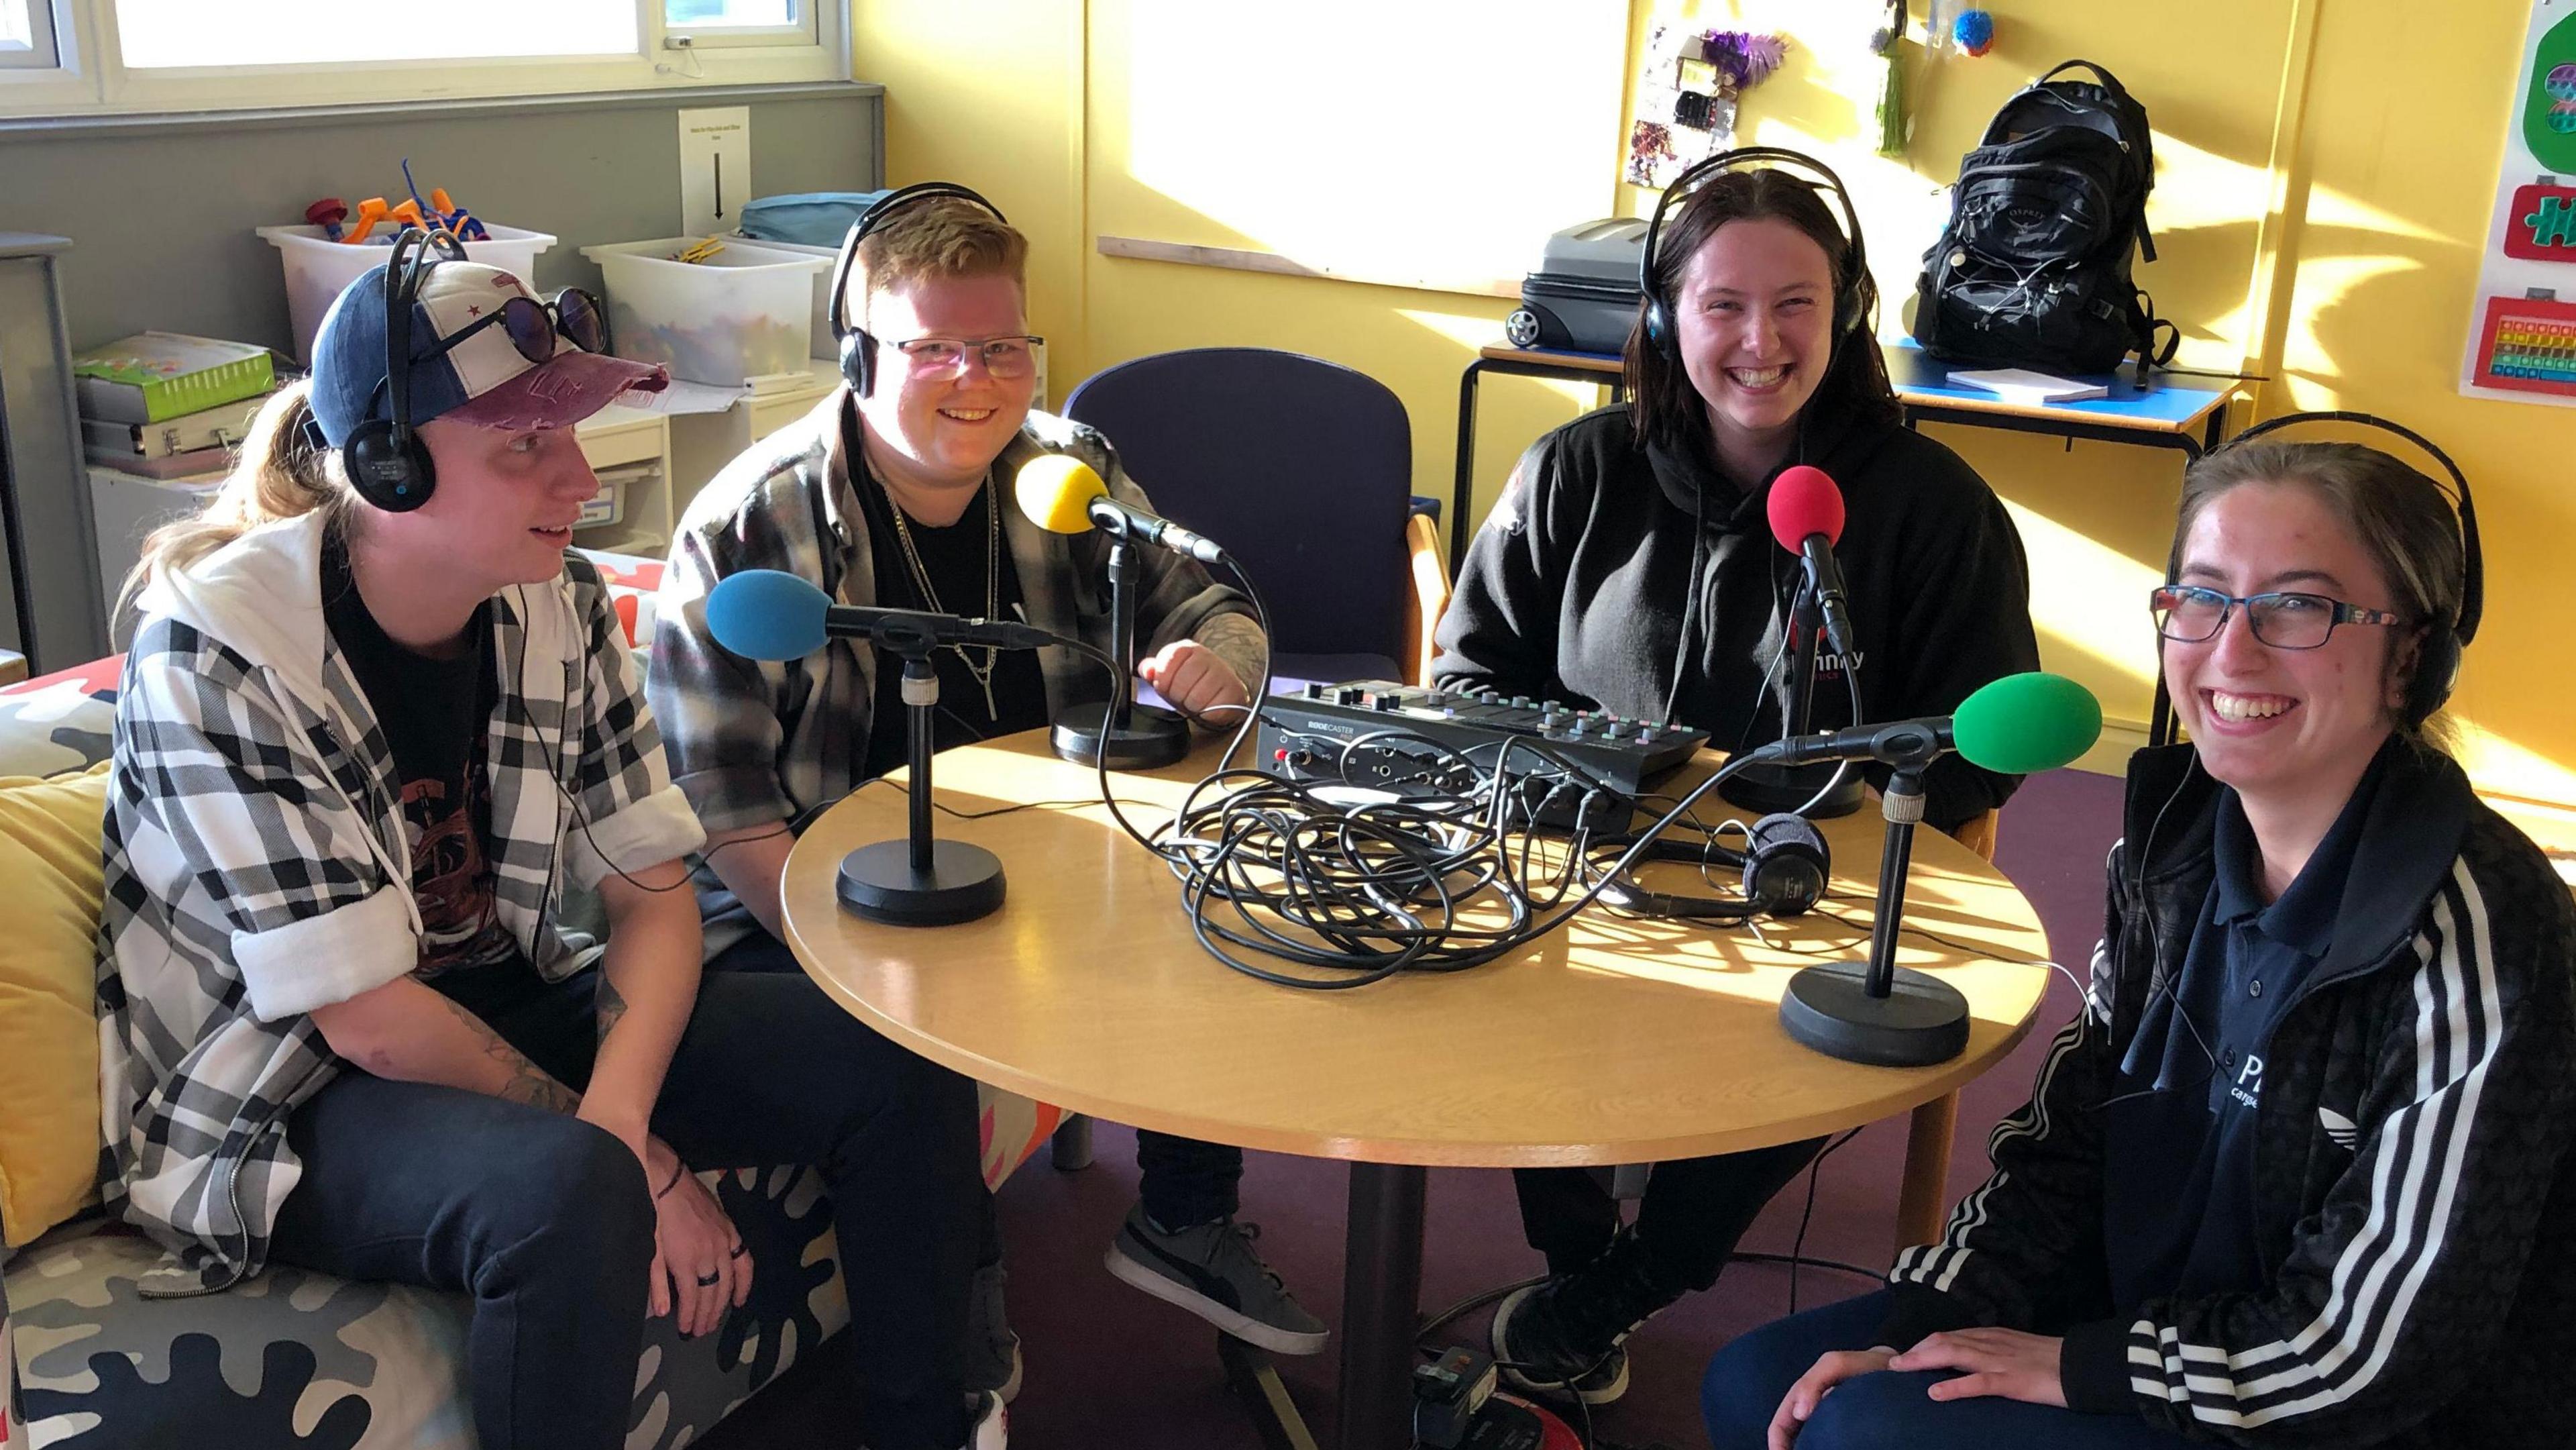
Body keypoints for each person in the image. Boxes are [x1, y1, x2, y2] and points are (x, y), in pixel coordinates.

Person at [97, 233, 1002, 1450]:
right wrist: (628, 1167)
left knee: (898, 1050)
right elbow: (362, 1016)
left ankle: (929, 1428)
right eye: (527, 445)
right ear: (388, 467)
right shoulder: (219, 649)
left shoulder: (557, 598)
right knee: (567, 1195)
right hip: (289, 1088)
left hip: (505, 996)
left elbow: (652, 891)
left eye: (570, 436)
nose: (578, 482)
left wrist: (625, 1124)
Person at [1703, 437, 2576, 1449]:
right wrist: (1927, 1319)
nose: (2230, 653)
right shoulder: (2173, 846)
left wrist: (2086, 1367)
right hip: (2162, 1318)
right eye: (2201, 597)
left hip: (2334, 1410)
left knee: (1867, 1437)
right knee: (1753, 1384)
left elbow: (2371, 1352)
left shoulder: (2482, 931)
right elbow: (2072, 1140)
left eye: (2299, 605)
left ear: (2414, 658)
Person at [648, 187, 1328, 1373]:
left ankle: (1183, 1213)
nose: (980, 376)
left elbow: (1212, 603)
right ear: (860, 354)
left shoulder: (1072, 472)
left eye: (1005, 344)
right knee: (904, 1059)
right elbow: (725, 812)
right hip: (818, 904)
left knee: (1213, 879)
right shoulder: (751, 530)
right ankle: (957, 1332)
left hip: (1042, 858)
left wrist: (1219, 661)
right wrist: (864, 966)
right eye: (936, 348)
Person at [1433, 155, 2042, 1404]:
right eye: (1723, 304)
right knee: (1496, 980)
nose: (1760, 341)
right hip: (1587, 864)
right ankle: (1575, 1249)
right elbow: (1469, 673)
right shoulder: (1573, 470)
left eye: (1797, 304)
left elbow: (1980, 748)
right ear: (1666, 314)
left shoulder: (1935, 509)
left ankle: (1633, 1279)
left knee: (1833, 1030)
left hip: (1816, 884)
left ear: (1848, 310)